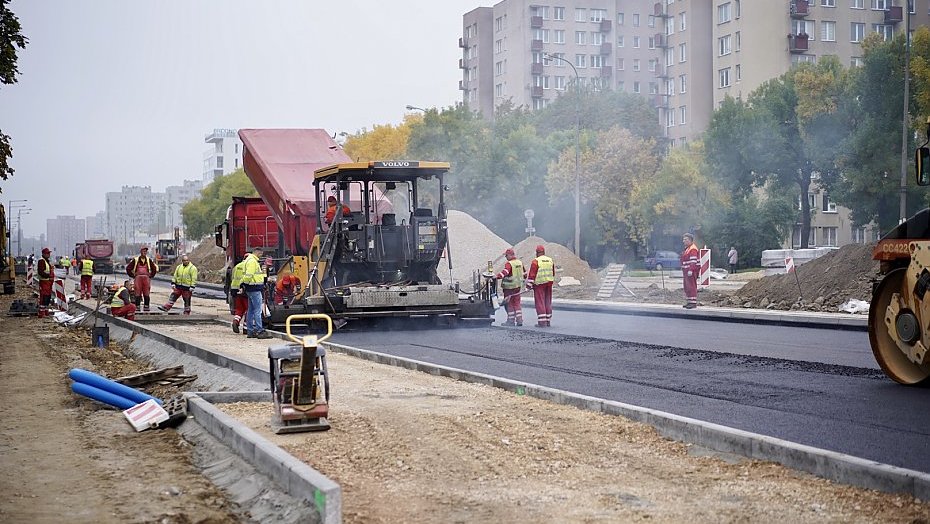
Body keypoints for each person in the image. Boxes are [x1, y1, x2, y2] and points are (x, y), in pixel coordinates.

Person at [241, 246, 272, 339]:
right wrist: (245, 283)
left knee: (250, 310)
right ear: (258, 252)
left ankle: (250, 330)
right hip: (254, 288)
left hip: (251, 289)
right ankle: (259, 330)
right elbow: (249, 275)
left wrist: (244, 285)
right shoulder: (252, 261)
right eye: (261, 254)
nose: (261, 256)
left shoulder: (248, 260)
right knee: (257, 310)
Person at [525, 244, 554, 328]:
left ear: (537, 253)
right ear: (544, 252)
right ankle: (548, 321)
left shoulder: (535, 261)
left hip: (539, 285)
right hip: (549, 283)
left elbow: (532, 276)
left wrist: (528, 286)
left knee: (540, 302)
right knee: (547, 302)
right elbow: (553, 272)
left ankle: (542, 322)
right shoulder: (550, 260)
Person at [495, 248, 524, 326]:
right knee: (517, 303)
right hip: (517, 286)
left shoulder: (509, 264)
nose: (506, 257)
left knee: (509, 304)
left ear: (511, 255)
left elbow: (505, 272)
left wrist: (496, 277)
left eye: (506, 256)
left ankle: (510, 321)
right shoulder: (519, 262)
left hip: (509, 288)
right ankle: (519, 320)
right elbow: (524, 273)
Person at [126, 245, 158, 312]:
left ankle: (146, 306)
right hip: (138, 279)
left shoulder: (149, 260)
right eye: (143, 251)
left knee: (146, 292)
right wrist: (132, 275)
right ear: (141, 252)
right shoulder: (135, 260)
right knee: (137, 292)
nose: (144, 252)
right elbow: (128, 268)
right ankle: (137, 306)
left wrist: (151, 276)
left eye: (145, 251)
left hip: (146, 279)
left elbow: (154, 269)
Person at [230, 257, 249, 334]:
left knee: (239, 309)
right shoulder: (248, 265)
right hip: (245, 291)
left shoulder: (237, 266)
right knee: (248, 310)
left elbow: (232, 278)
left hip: (236, 290)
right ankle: (246, 327)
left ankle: (236, 321)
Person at [681, 233, 700, 309]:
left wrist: (691, 270)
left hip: (691, 271)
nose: (684, 241)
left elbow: (693, 260)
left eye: (686, 239)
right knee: (687, 286)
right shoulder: (688, 248)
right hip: (687, 271)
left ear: (690, 240)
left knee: (691, 286)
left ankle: (693, 302)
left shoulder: (693, 249)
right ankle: (689, 301)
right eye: (683, 239)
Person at [37, 248, 54, 318]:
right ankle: (41, 312)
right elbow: (41, 272)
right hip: (44, 281)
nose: (49, 254)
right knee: (44, 297)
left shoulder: (47, 261)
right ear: (44, 254)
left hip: (48, 282)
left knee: (48, 297)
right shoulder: (41, 261)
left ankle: (46, 311)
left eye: (49, 253)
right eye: (47, 253)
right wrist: (48, 275)